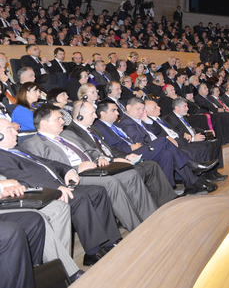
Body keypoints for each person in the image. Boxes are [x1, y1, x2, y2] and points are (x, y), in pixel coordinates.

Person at [0, 117, 122, 266]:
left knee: (98, 191)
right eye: (9, 130)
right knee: (80, 198)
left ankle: (110, 240)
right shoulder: (2, 156)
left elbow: (48, 163)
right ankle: (92, 252)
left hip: (58, 183)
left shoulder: (17, 150)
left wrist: (68, 170)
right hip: (43, 191)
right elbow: (23, 177)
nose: (16, 133)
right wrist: (56, 188)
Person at [19, 103, 157, 232]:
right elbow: (46, 169)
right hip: (75, 176)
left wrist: (100, 158)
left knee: (130, 174)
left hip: (94, 168)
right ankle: (138, 228)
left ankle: (152, 218)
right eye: (58, 119)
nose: (63, 122)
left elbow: (91, 149)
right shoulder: (32, 144)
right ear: (44, 123)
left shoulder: (68, 134)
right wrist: (76, 168)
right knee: (110, 182)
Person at [62, 101, 176, 206]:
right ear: (80, 115)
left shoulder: (92, 129)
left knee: (151, 165)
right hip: (103, 165)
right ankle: (142, 207)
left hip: (113, 159)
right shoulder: (72, 132)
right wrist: (113, 160)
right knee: (138, 171)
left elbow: (109, 149)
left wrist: (125, 156)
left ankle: (165, 202)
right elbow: (89, 154)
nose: (95, 116)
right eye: (92, 113)